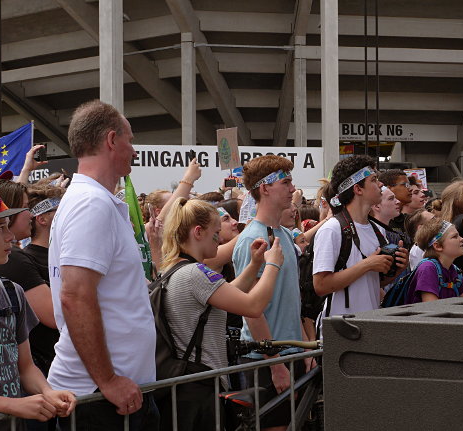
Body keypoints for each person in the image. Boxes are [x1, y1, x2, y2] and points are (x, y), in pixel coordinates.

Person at [48, 100, 159, 430]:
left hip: (110, 392)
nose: (134, 151)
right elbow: (75, 296)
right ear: (111, 140)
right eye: (130, 140)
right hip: (101, 397)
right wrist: (108, 380)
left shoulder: (93, 200)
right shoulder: (91, 203)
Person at [157, 198, 283, 431]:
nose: (220, 239)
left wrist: (255, 265)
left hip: (189, 385)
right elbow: (253, 306)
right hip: (199, 385)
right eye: (216, 233)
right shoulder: (195, 273)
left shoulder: (175, 268)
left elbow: (228, 295)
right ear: (198, 232)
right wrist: (273, 265)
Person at [0, 188, 76, 430]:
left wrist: (47, 391)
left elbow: (25, 366)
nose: (10, 237)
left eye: (8, 226)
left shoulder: (12, 292)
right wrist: (12, 405)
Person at [232, 155, 306, 431]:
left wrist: (304, 350)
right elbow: (251, 308)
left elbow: (291, 299)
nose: (292, 188)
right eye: (285, 182)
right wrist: (274, 364)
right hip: (264, 359)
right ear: (265, 188)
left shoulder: (284, 235)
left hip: (289, 354)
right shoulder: (253, 238)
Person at [313, 155, 408, 318]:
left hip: (368, 326)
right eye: (374, 179)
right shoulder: (332, 229)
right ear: (358, 189)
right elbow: (321, 285)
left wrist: (397, 268)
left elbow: (372, 282)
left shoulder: (378, 230)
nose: (381, 184)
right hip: (340, 329)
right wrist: (367, 264)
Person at [405, 218, 463, 304]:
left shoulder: (452, 269)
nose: (462, 239)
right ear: (438, 246)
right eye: (454, 236)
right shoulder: (428, 268)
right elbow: (433, 310)